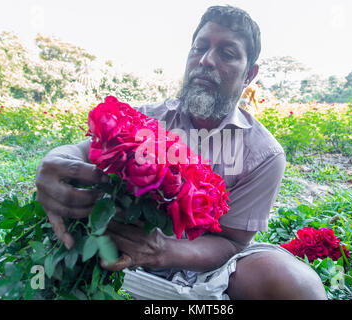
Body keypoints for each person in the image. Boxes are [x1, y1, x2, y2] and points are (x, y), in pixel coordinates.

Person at [35, 5, 326, 300]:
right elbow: (80, 152)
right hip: (117, 258)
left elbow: (231, 243)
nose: (205, 60)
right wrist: (55, 160)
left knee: (299, 288)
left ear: (249, 74)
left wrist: (163, 250)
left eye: (226, 53)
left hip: (207, 273)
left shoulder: (264, 154)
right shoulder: (144, 119)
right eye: (199, 48)